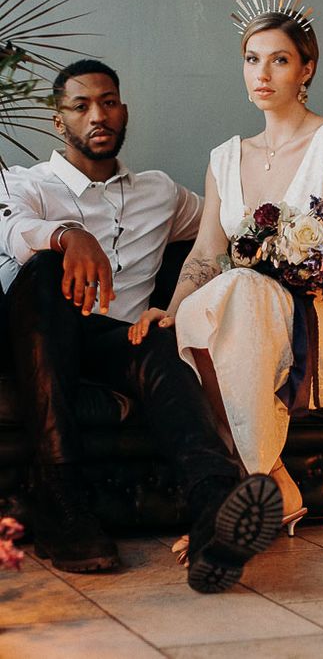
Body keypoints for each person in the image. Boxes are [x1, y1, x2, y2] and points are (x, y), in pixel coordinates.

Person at [0, 59, 284, 593]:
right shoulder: (27, 183)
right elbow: (12, 230)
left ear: (124, 111)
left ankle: (214, 510)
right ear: (59, 122)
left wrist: (303, 233)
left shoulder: (161, 193)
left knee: (158, 336)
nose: (97, 115)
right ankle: (60, 498)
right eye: (81, 106)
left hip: (114, 341)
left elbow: (227, 228)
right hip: (38, 332)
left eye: (108, 102)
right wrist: (68, 236)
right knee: (41, 269)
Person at [129, 0, 323, 539]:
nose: (262, 73)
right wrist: (168, 311)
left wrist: (305, 269)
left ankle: (248, 495)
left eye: (280, 59)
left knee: (241, 286)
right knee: (201, 314)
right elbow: (203, 254)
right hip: (255, 334)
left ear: (306, 68)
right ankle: (269, 486)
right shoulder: (226, 158)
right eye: (252, 59)